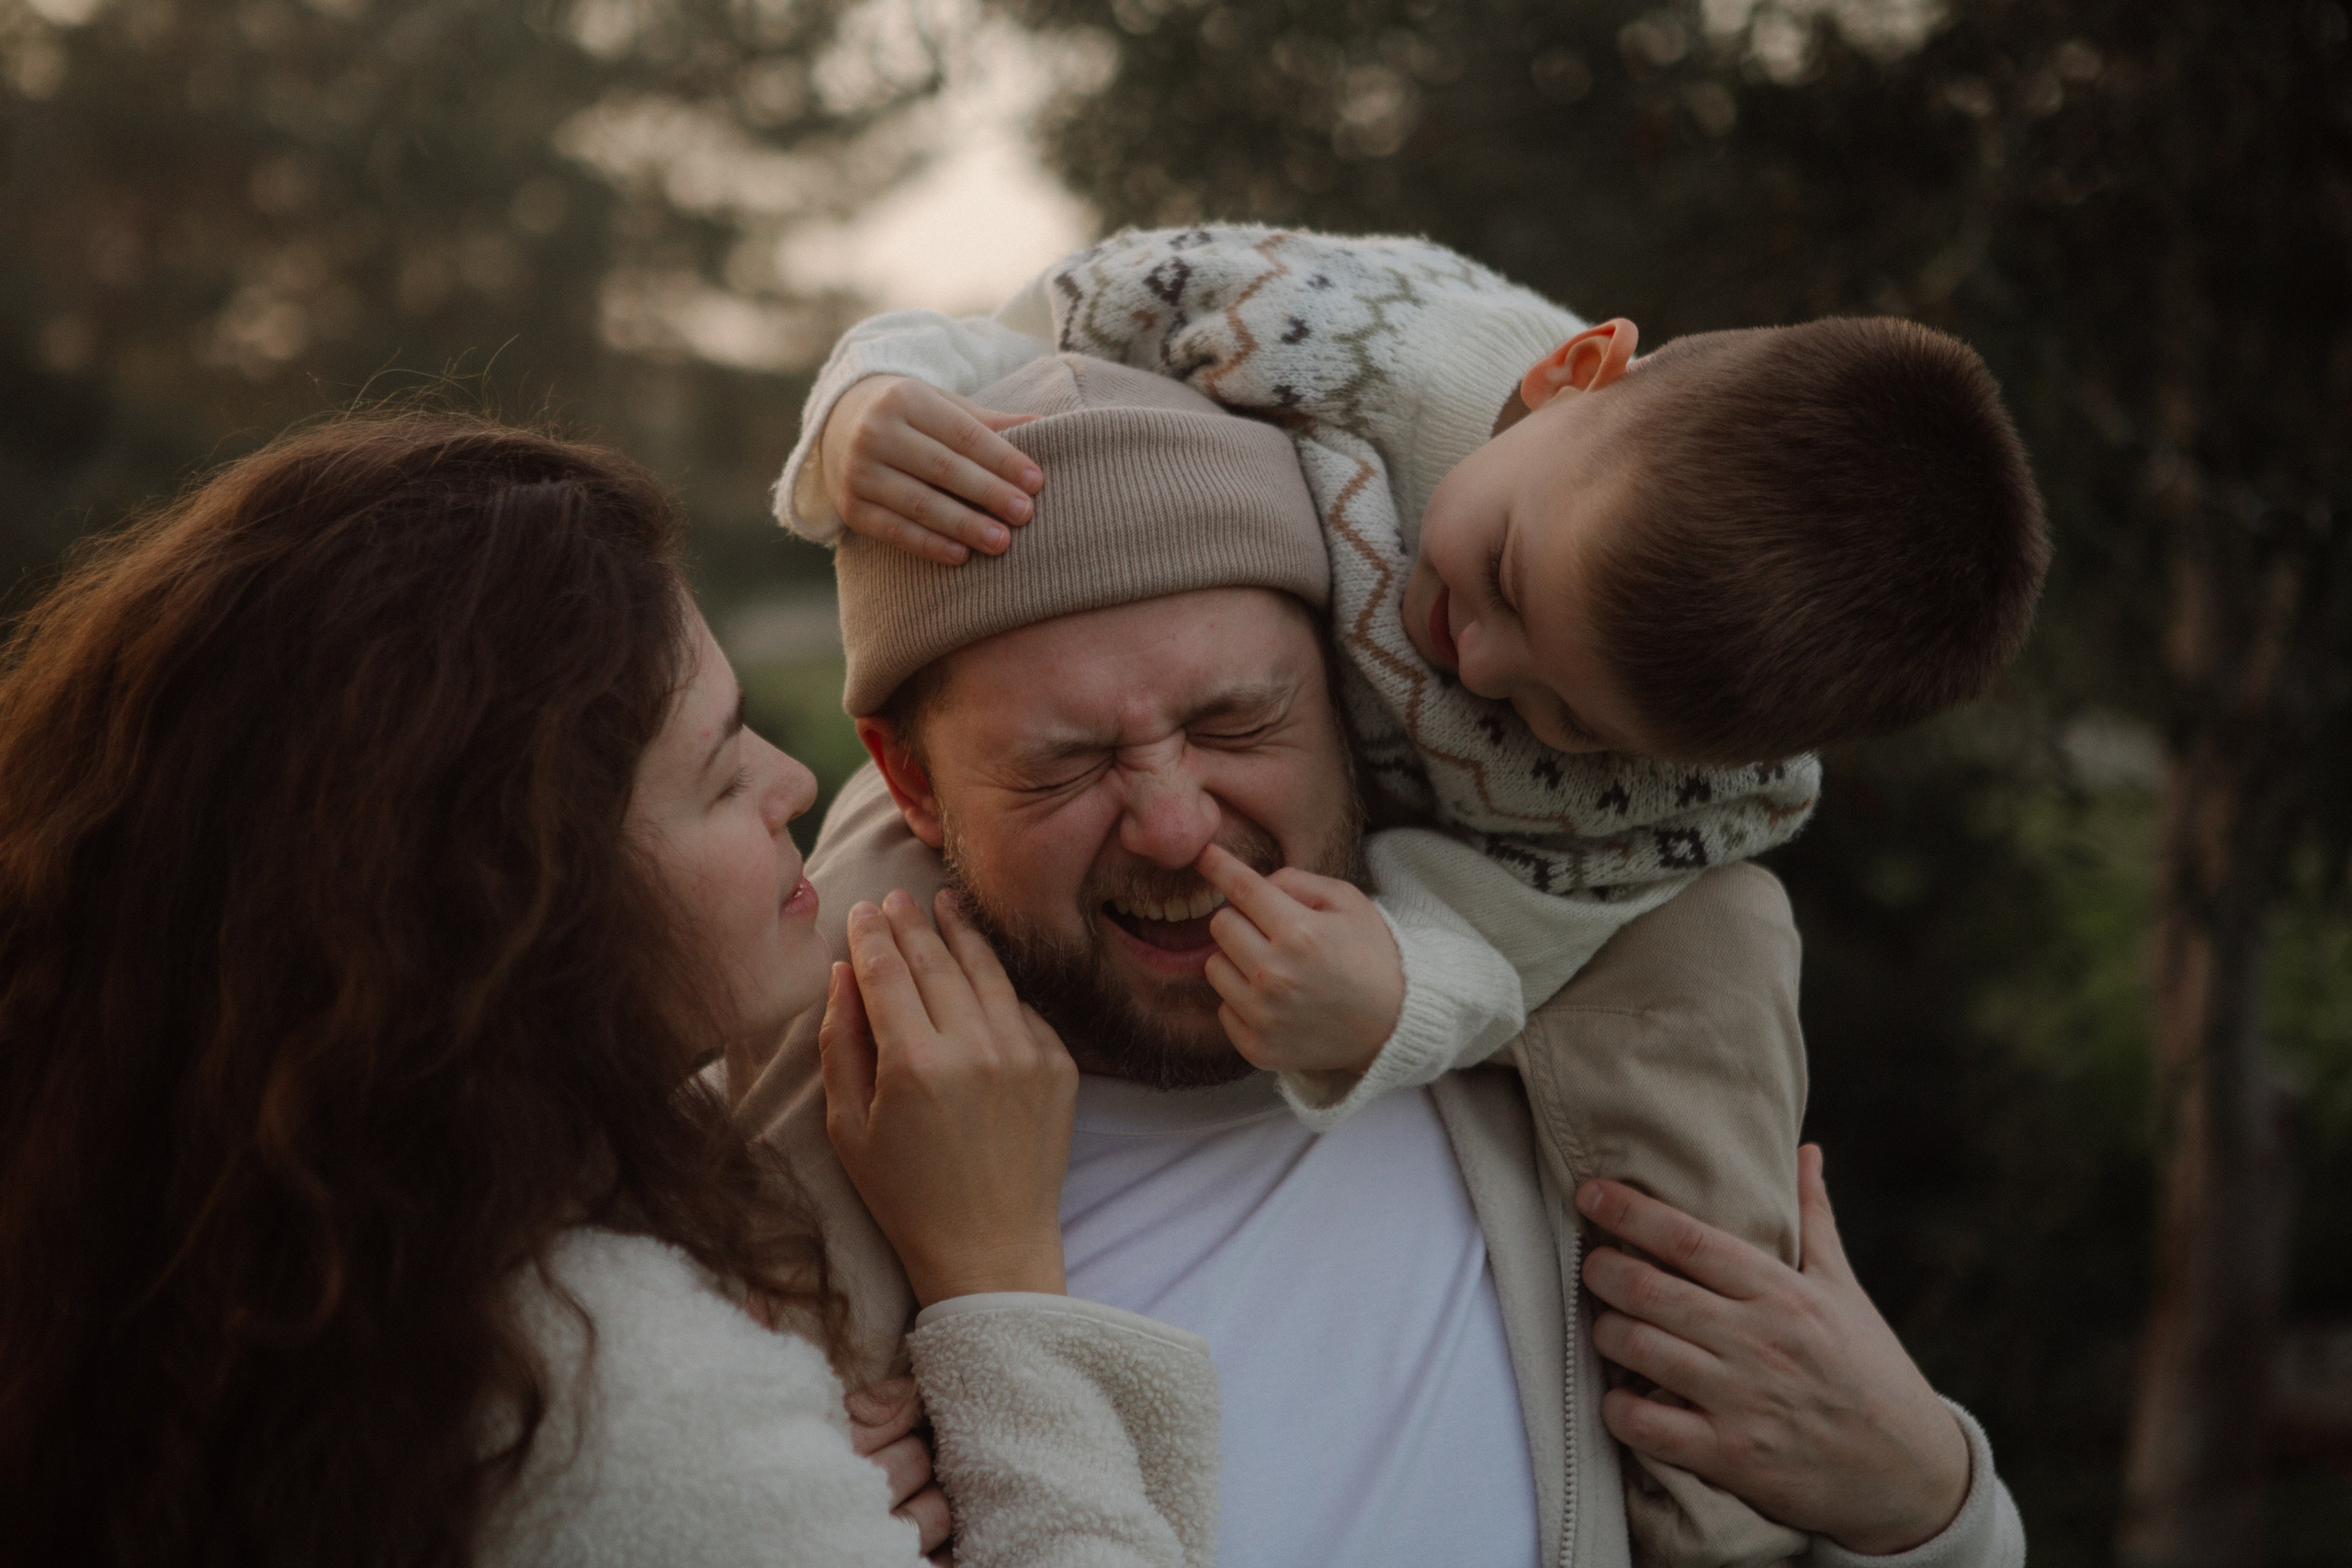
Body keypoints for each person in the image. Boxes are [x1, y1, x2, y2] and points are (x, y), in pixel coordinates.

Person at [773, 226, 2047, 1562]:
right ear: (910, 782)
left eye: (1237, 720)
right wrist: (860, 412)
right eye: (1064, 764)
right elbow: (1049, 314)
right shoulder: (1349, 335)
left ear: (1326, 687)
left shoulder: (1659, 855)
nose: (1480, 663)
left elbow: (1533, 925)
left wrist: (1927, 1512)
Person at [0, 413, 1220, 1568]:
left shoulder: (243, 1243)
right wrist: (998, 1283)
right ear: (513, 900)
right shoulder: (592, 1387)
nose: (795, 780)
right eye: (720, 768)